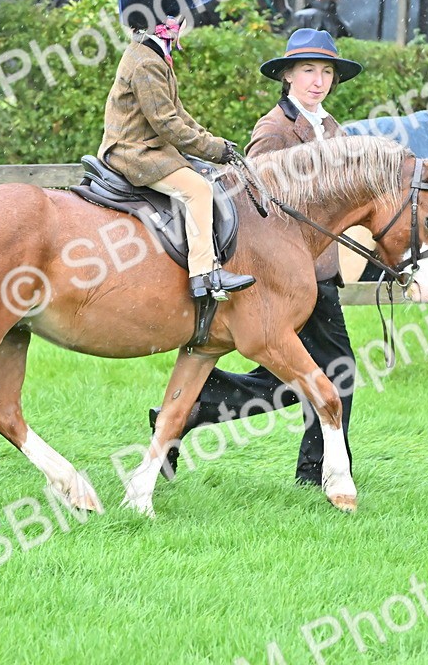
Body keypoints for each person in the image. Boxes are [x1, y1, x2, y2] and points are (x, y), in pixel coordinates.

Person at [149, 28, 363, 485]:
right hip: (281, 274)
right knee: (329, 374)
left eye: (326, 72)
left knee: (307, 373)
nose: (318, 81)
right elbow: (257, 201)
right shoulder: (273, 131)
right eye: (308, 70)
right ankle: (315, 471)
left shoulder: (333, 129)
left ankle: (199, 406)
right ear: (287, 75)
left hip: (319, 270)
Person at [99, 0, 256, 300]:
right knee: (197, 189)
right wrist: (213, 151)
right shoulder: (146, 63)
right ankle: (204, 274)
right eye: (183, 13)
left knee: (206, 175)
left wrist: (216, 144)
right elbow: (167, 125)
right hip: (134, 153)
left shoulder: (155, 54)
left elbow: (178, 113)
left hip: (148, 147)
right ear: (166, 18)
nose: (188, 21)